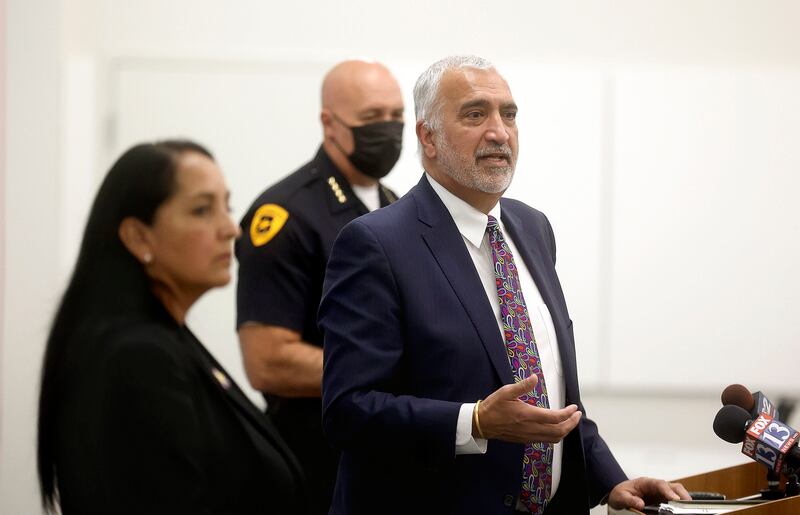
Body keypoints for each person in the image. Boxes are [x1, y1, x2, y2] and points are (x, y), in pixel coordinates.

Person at [319, 56, 691, 514]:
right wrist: (473, 421)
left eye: (509, 115)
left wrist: (611, 481)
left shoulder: (533, 229)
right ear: (428, 137)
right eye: (475, 115)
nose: (499, 132)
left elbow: (554, 394)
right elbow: (348, 411)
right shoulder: (375, 243)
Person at [37, 141, 308, 515]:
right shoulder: (139, 358)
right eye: (202, 210)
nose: (231, 229)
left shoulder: (165, 338)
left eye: (226, 207)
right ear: (138, 237)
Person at [235, 59, 404, 513]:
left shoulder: (394, 205)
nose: (388, 129)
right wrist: (397, 369)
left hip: (386, 460)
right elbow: (268, 362)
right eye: (371, 117)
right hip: (313, 464)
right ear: (329, 123)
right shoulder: (285, 215)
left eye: (396, 116)